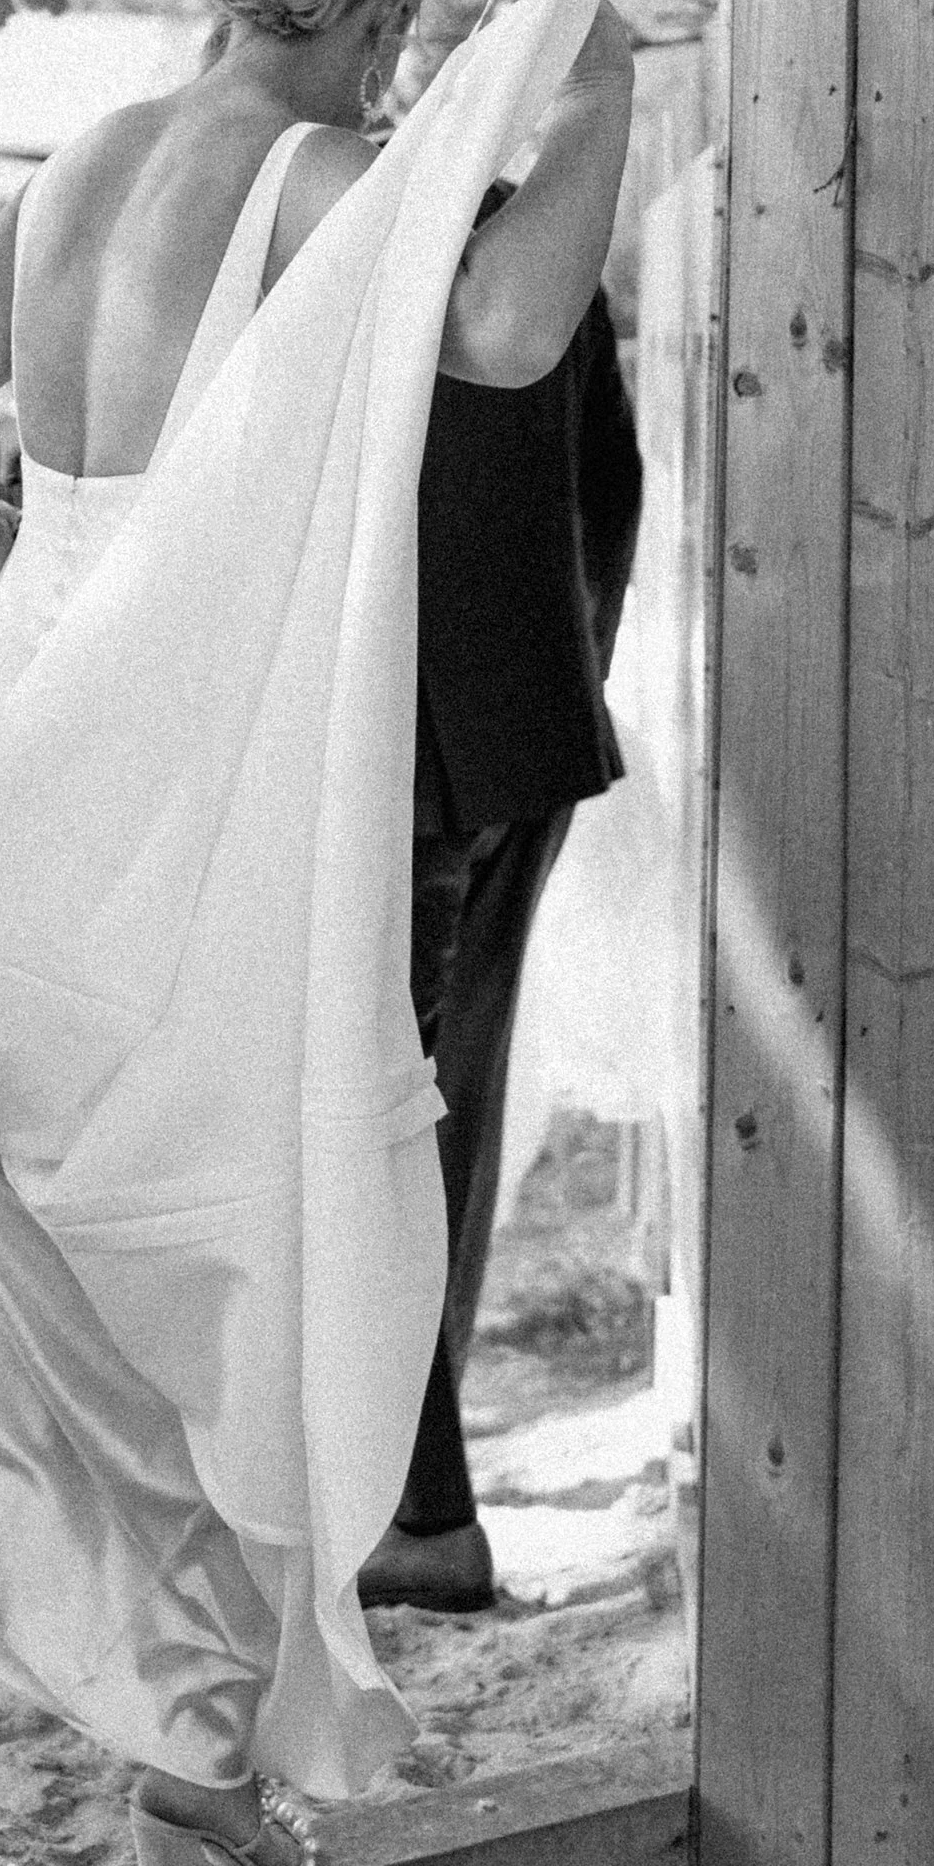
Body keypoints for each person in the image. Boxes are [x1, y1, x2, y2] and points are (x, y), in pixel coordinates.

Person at [0, 0, 635, 1866]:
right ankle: (154, 1768)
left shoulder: (73, 168)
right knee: (231, 1259)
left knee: (51, 1264)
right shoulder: (319, 189)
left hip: (20, 725)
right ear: (389, 11)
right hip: (184, 762)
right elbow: (506, 332)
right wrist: (594, 92)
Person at [356, 209, 644, 1616]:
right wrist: (560, 669)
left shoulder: (350, 226)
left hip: (399, 745)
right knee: (440, 1105)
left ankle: (423, 1508)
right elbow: (616, 492)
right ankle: (413, 1484)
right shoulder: (538, 232)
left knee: (391, 1117)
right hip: (521, 729)